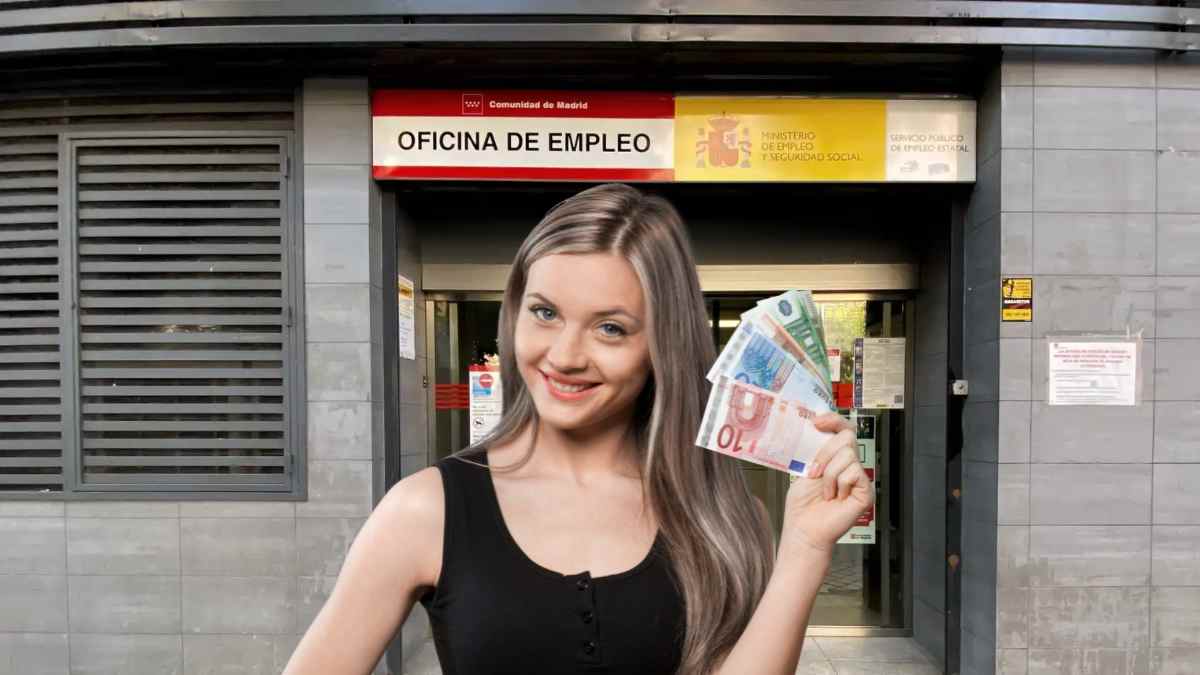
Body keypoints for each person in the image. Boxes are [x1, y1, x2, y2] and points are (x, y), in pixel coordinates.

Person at [284, 184, 873, 675]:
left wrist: (805, 549)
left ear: (661, 347)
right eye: (545, 313)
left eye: (611, 329)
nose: (564, 355)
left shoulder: (721, 514)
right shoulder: (424, 510)